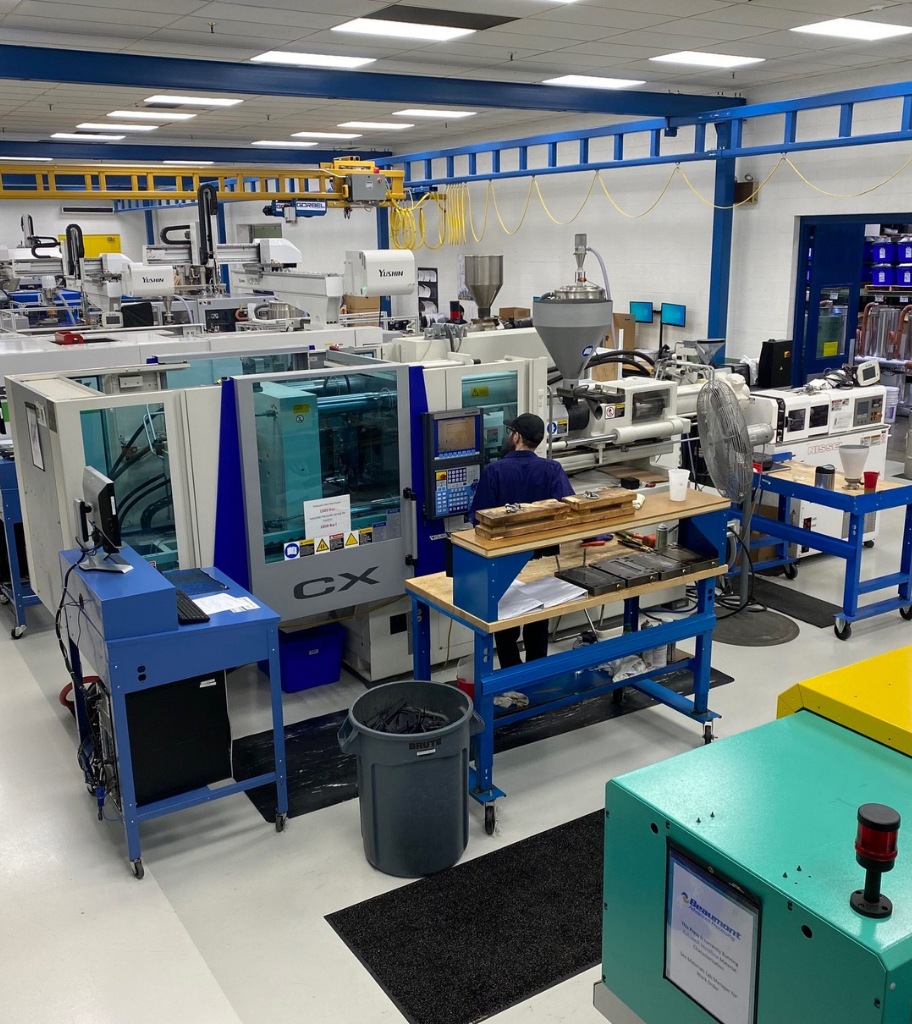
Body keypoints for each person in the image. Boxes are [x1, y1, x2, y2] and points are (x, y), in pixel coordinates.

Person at [470, 413, 574, 669]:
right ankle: (535, 673)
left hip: (505, 561)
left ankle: (511, 671)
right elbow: (570, 511)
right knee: (538, 615)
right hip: (542, 558)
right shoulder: (552, 469)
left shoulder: (494, 471)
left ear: (516, 436)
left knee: (506, 618)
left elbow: (478, 520)